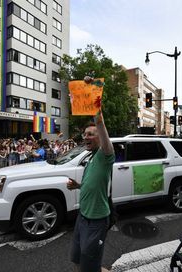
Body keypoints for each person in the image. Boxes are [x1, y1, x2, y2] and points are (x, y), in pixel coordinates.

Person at [67, 76, 115, 272]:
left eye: (90, 134)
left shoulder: (105, 155)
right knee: (78, 259)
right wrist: (77, 186)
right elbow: (93, 182)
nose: (85, 137)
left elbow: (100, 121)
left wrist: (92, 91)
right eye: (84, 134)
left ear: (100, 138)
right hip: (82, 217)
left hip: (96, 220)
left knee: (89, 265)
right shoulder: (91, 157)